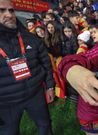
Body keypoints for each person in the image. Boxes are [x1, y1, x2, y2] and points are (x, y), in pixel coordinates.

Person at [0, 0, 55, 135]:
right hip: (6, 102)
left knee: (45, 126)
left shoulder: (30, 37)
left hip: (35, 94)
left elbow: (45, 62)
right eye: (2, 10)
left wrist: (50, 86)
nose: (9, 14)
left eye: (11, 10)